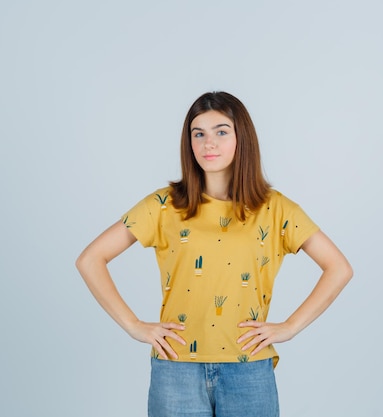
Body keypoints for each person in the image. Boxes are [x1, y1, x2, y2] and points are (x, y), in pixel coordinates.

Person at [76, 91, 353, 417]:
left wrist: (290, 326)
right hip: (176, 369)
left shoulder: (274, 208)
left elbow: (338, 267)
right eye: (199, 134)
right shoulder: (164, 205)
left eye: (221, 131)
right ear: (189, 142)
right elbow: (90, 259)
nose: (209, 143)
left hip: (248, 368)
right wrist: (134, 325)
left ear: (242, 138)